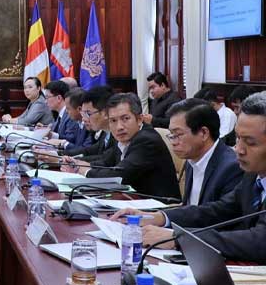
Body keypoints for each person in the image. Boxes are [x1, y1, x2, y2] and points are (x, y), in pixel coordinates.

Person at [113, 92, 266, 262]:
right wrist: (161, 217)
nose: (239, 149)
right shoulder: (252, 176)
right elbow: (218, 210)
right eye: (238, 138)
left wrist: (178, 238)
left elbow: (259, 241)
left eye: (250, 142)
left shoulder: (235, 168)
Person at [62, 93, 180, 200]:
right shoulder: (123, 137)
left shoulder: (146, 140)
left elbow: (119, 175)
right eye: (113, 121)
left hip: (160, 208)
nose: (119, 127)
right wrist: (76, 164)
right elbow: (105, 162)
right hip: (132, 201)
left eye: (125, 119)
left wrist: (84, 171)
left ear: (139, 119)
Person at [164, 99, 243, 206]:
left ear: (204, 133)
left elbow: (219, 213)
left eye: (178, 134)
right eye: (171, 135)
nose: (173, 142)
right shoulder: (192, 159)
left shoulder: (232, 167)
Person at [63, 86, 116, 160]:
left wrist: (71, 161)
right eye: (83, 113)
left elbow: (105, 159)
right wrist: (57, 155)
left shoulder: (118, 135)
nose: (84, 118)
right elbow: (88, 151)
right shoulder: (105, 133)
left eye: (88, 113)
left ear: (105, 113)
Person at [44, 80, 85, 147]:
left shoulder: (72, 114)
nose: (45, 101)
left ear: (59, 98)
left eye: (47, 97)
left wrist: (61, 142)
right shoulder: (59, 114)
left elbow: (72, 139)